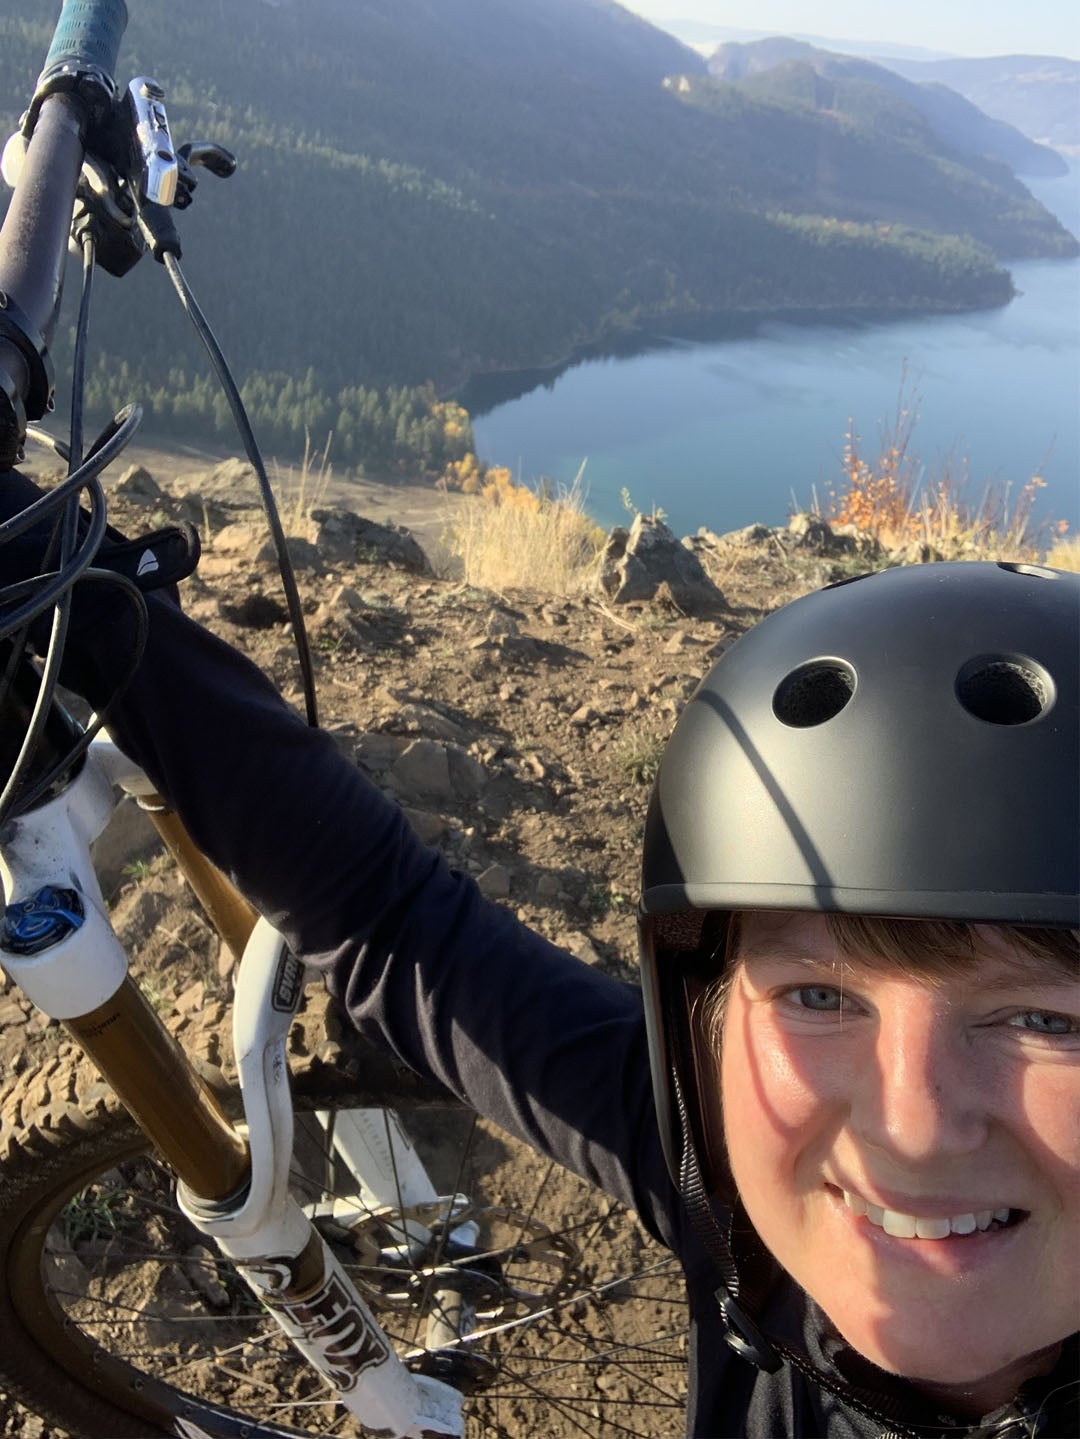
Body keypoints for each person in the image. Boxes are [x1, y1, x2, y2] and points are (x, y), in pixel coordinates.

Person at [1, 467, 1077, 1438]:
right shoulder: (727, 1176)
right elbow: (390, 918)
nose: (917, 1128)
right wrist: (92, 602)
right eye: (818, 995)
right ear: (702, 1029)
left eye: (1043, 1018)